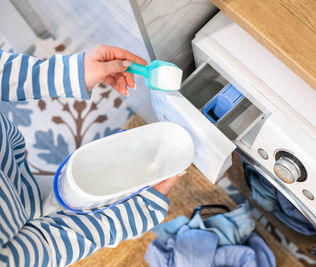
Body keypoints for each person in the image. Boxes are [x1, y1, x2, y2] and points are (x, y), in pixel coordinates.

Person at [0, 44, 182, 266]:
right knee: (68, 209)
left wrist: (70, 73)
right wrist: (131, 216)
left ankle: (44, 203)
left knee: (49, 199)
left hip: (13, 176)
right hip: (12, 230)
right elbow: (39, 250)